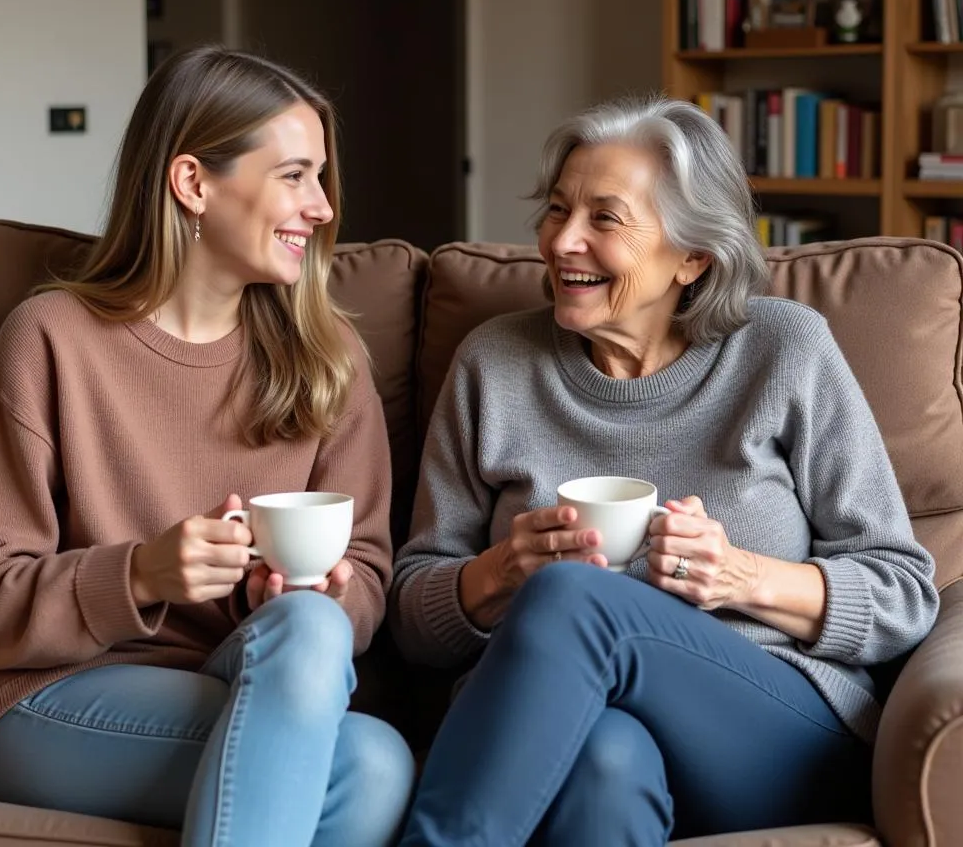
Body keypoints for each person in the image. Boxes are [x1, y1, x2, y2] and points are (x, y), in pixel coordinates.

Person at [389, 96, 938, 846]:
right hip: (563, 736)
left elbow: (905, 593)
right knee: (605, 763)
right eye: (556, 210)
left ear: (693, 256)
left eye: (604, 219)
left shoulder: (784, 351)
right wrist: (495, 574)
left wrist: (744, 578)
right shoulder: (493, 363)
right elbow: (412, 619)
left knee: (575, 597)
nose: (560, 242)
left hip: (770, 732)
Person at [0, 47, 414, 847]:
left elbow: (366, 573)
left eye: (322, 178)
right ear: (193, 183)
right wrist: (142, 572)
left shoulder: (326, 359)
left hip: (254, 686)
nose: (324, 207)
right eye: (295, 176)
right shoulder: (52, 339)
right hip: (59, 701)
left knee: (357, 721)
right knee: (365, 768)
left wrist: (320, 594)